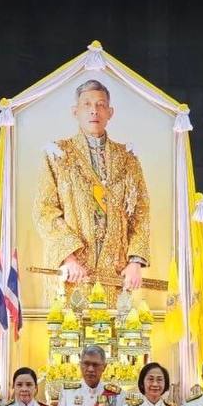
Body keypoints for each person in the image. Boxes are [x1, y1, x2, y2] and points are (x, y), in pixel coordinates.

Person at [34, 79, 151, 291]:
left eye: (100, 105)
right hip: (73, 273)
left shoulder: (128, 159)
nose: (94, 111)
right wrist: (68, 258)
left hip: (117, 273)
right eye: (86, 104)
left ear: (110, 112)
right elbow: (45, 210)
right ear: (75, 111)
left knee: (120, 324)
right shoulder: (58, 155)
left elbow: (140, 213)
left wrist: (135, 263)